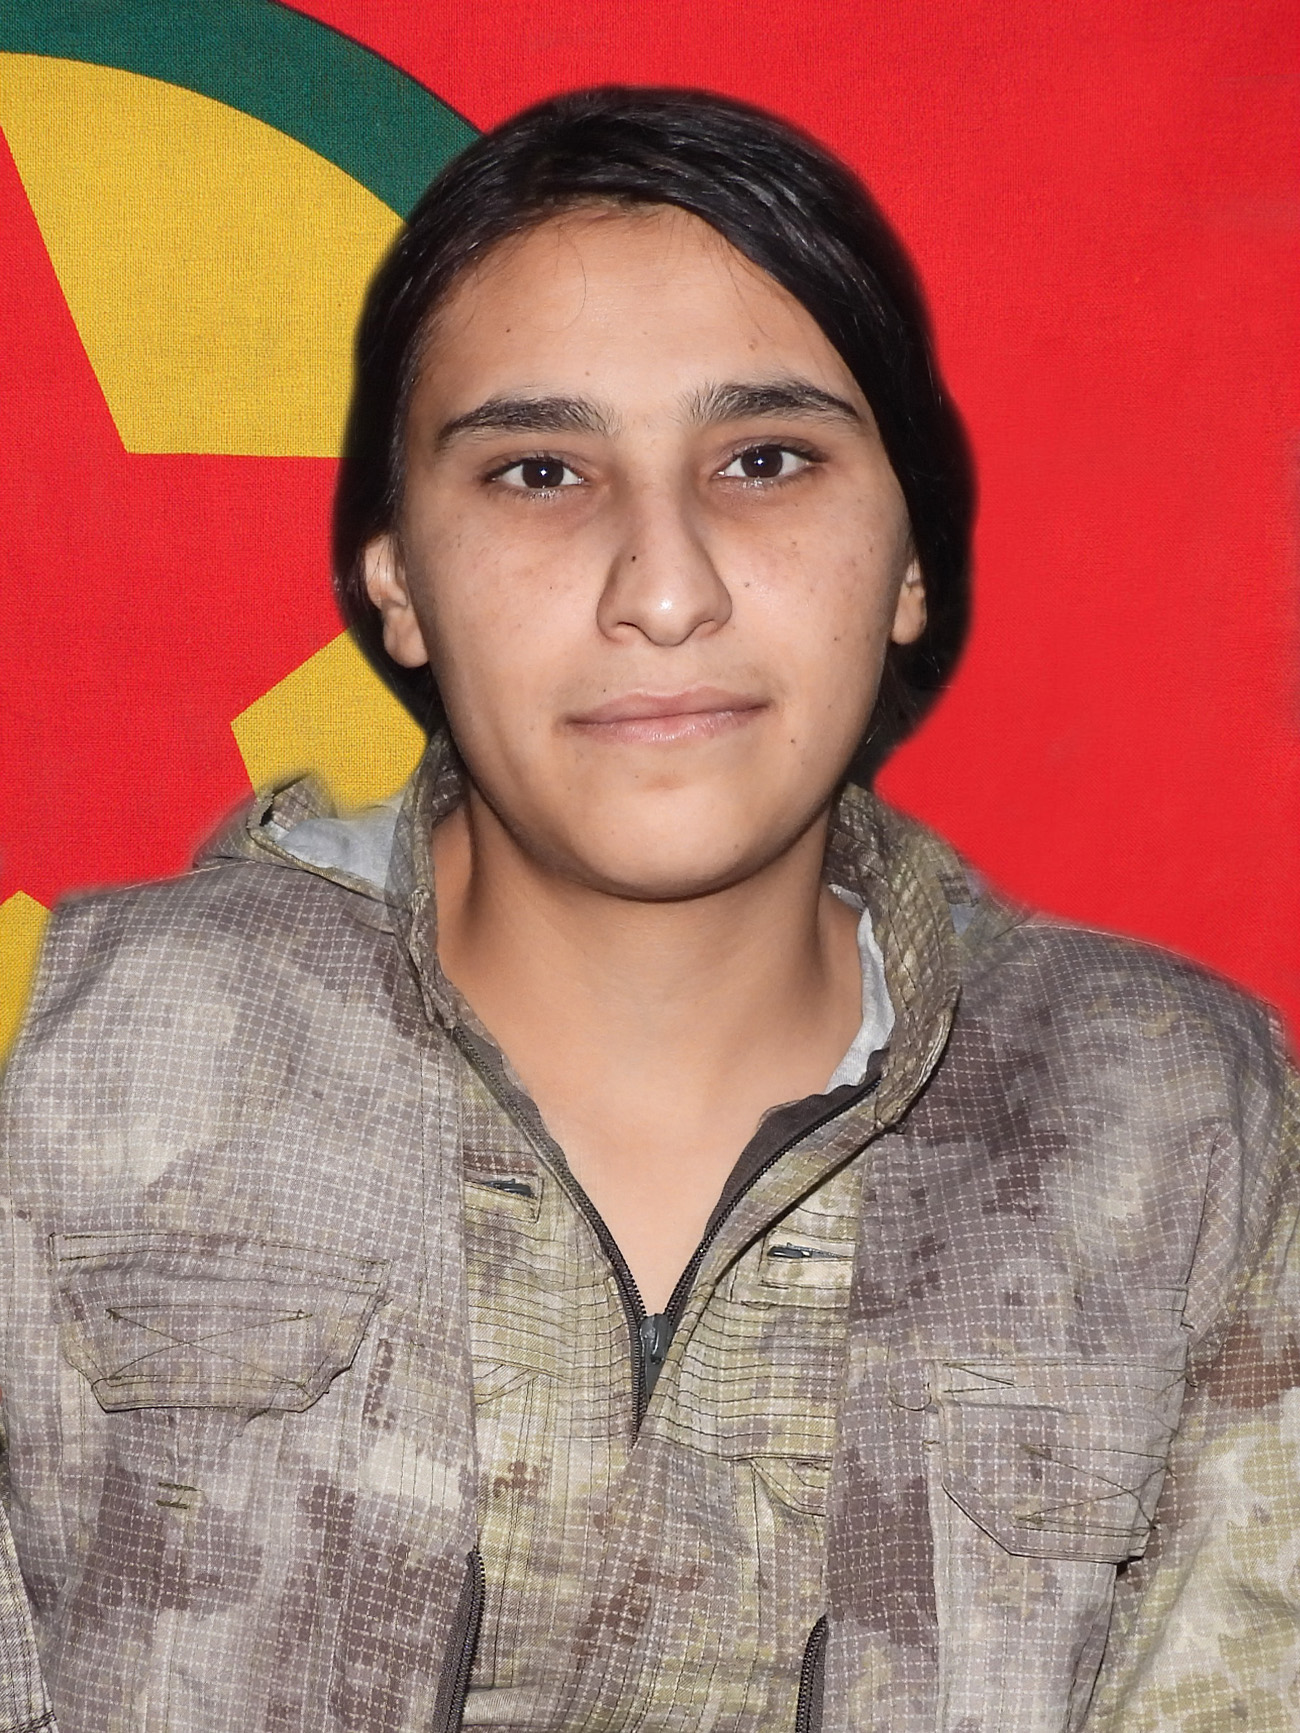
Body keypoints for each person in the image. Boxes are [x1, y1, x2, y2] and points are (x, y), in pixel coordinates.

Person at [0, 86, 1296, 1733]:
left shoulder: (1175, 1125)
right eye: (540, 471)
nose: (664, 588)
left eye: (766, 461)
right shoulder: (78, 1062)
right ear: (396, 579)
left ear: (909, 554)